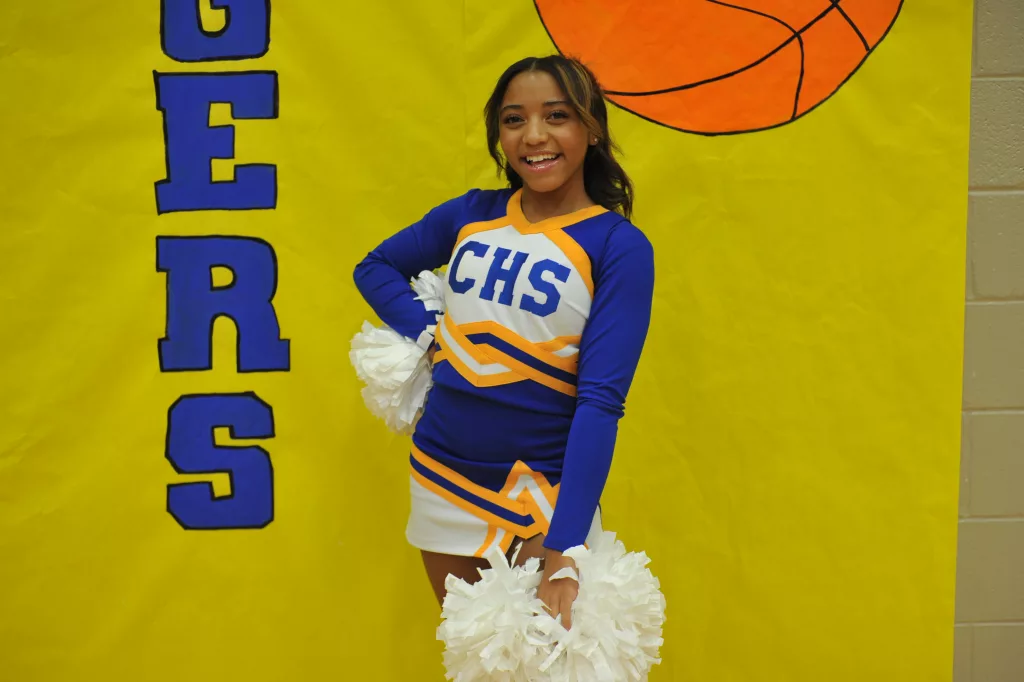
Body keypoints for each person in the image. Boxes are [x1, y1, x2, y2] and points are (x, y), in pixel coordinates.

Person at [353, 54, 655, 629]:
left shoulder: (617, 245)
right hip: (443, 473)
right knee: (482, 657)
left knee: (554, 657)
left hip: (542, 494)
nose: (534, 136)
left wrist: (567, 542)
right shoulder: (472, 214)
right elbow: (376, 267)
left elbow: (600, 401)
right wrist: (430, 335)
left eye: (556, 116)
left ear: (592, 129)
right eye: (514, 119)